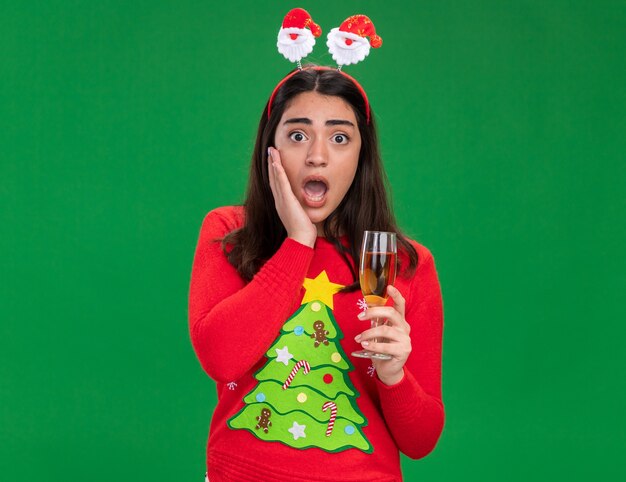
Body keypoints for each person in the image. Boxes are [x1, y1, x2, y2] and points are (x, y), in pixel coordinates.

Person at [189, 11, 443, 481]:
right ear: (272, 148)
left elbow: (421, 441)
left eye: (340, 137)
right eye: (298, 134)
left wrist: (394, 376)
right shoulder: (229, 232)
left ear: (361, 156)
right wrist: (299, 242)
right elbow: (220, 357)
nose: (318, 155)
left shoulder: (403, 263)